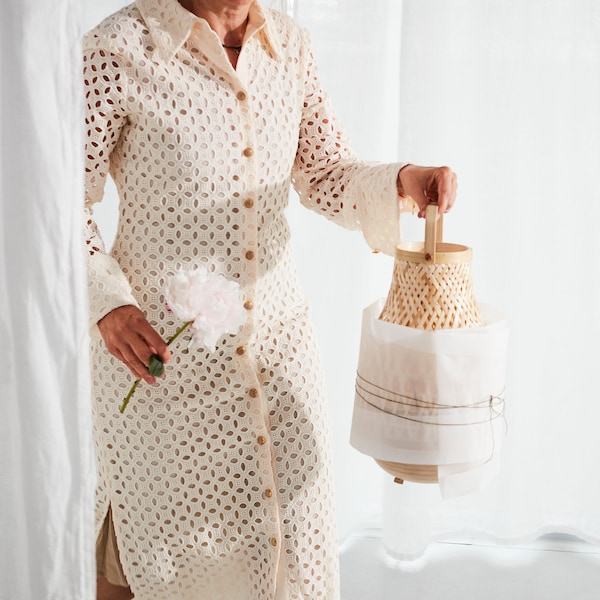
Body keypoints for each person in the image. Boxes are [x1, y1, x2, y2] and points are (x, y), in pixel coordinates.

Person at [84, 0, 457, 598]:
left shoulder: (289, 45)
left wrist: (400, 181)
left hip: (279, 352)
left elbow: (327, 172)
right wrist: (106, 301)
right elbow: (57, 198)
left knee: (294, 542)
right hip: (160, 364)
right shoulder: (121, 47)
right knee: (152, 551)